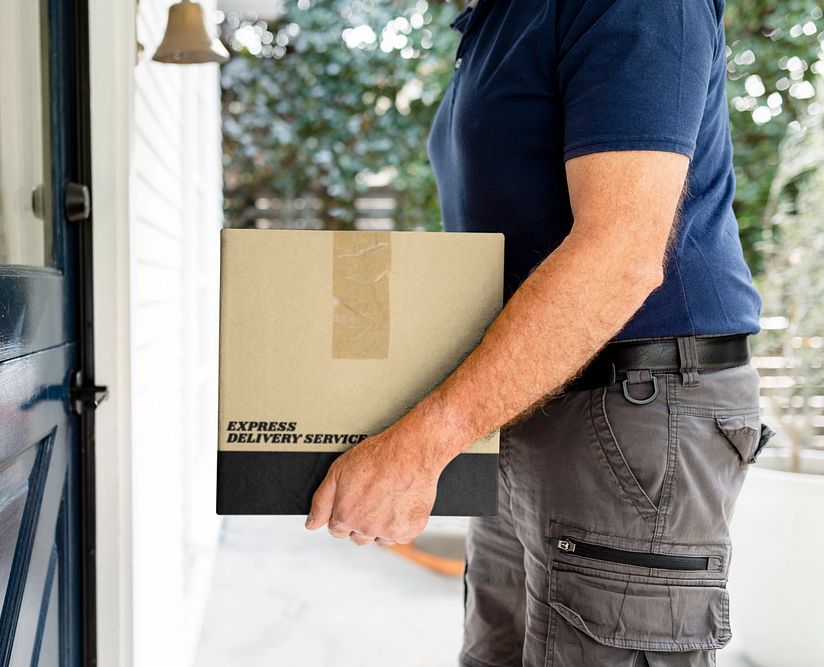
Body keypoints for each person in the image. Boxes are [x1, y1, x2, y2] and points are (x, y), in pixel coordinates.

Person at [304, 0, 773, 664]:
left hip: (631, 406)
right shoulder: (497, 18)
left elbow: (621, 256)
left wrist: (417, 446)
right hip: (527, 401)